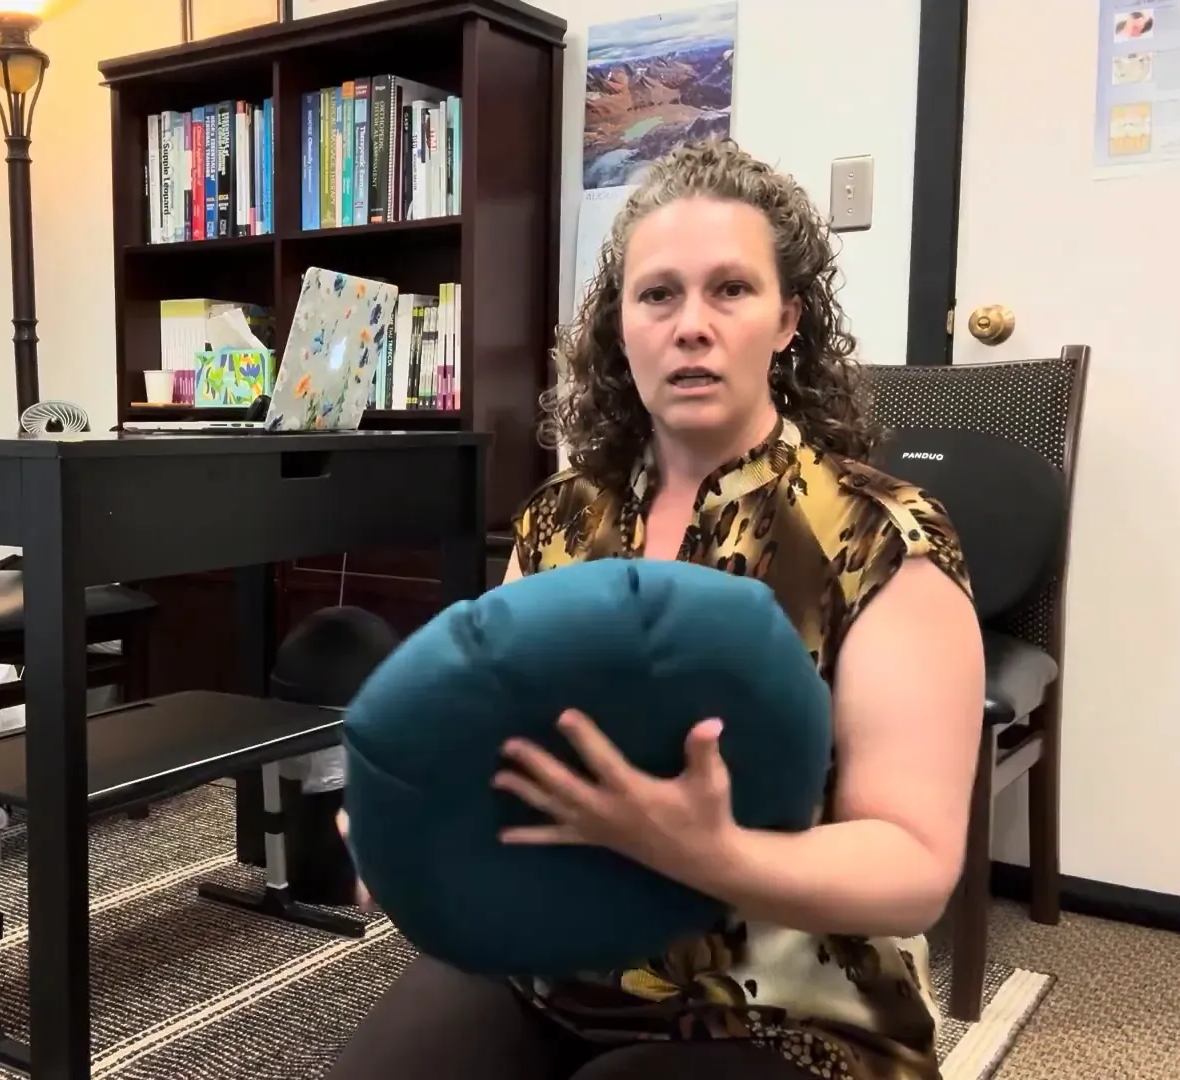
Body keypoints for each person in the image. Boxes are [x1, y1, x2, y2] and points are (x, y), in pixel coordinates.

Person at [325, 138, 984, 1080]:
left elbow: (914, 869)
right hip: (551, 955)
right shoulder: (562, 516)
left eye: (731, 290)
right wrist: (407, 828)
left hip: (791, 1001)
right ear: (621, 327)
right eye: (658, 295)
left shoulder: (886, 536)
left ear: (788, 320)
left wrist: (708, 854)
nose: (692, 326)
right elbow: (487, 732)